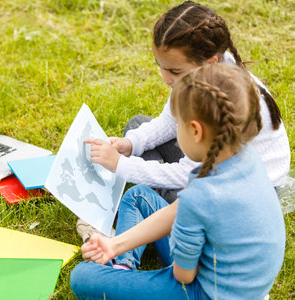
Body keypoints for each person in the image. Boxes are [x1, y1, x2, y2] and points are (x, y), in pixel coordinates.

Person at [77, 0, 290, 242]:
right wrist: (131, 144)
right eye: (161, 67)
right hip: (212, 169)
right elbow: (170, 121)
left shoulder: (222, 101)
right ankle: (153, 196)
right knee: (137, 126)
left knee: (157, 196)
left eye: (175, 72)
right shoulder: (206, 72)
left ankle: (149, 207)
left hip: (237, 198)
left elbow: (187, 173)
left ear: (209, 62)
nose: (165, 78)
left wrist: (121, 165)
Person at [70, 63, 286, 300]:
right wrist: (116, 244)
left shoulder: (200, 197)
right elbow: (178, 209)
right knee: (138, 195)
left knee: (81, 276)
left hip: (203, 291)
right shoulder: (247, 159)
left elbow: (184, 276)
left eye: (178, 125)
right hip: (241, 284)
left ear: (194, 130)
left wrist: (184, 241)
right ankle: (122, 264)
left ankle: (120, 276)